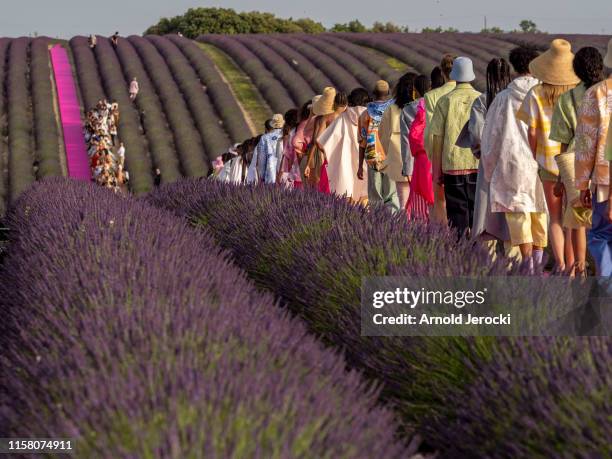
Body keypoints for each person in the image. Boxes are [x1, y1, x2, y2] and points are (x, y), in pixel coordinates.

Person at [481, 46, 547, 271]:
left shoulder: (503, 99)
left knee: (520, 215)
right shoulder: (545, 95)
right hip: (542, 161)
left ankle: (528, 264)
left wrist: (490, 169)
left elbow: (491, 136)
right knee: (540, 211)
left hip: (512, 163)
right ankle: (538, 262)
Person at [517, 39, 580, 273]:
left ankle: (561, 265)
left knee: (554, 218)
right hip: (573, 162)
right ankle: (574, 266)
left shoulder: (535, 93)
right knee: (572, 220)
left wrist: (535, 155)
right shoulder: (576, 93)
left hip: (547, 162)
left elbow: (531, 130)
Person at [550, 47, 605, 276]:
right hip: (603, 160)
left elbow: (562, 140)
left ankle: (580, 270)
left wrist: (561, 177)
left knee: (578, 221)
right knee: (602, 220)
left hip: (576, 160)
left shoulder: (567, 98)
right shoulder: (606, 94)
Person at [430, 57, 482, 236]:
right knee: (477, 214)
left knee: (457, 217)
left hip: (452, 166)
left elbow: (437, 139)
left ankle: (460, 254)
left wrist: (437, 172)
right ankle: (478, 256)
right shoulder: (481, 99)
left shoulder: (445, 101)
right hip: (477, 165)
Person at [575, 38, 612, 276]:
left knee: (600, 234)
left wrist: (581, 184)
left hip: (604, 179)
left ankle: (607, 287)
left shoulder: (596, 93)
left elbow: (585, 143)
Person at [467, 58, 513, 252]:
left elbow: (476, 133)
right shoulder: (514, 99)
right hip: (512, 163)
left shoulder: (482, 100)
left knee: (486, 215)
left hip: (489, 164)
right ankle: (514, 262)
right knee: (511, 216)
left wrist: (479, 152)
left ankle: (488, 262)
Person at [318, 87, 370, 203]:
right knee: (366, 203)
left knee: (346, 206)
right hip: (366, 166)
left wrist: (334, 156)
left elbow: (322, 144)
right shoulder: (370, 117)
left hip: (344, 167)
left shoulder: (342, 118)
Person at [425, 54, 456, 223]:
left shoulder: (432, 96)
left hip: (442, 155)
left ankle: (445, 240)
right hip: (468, 158)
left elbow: (431, 132)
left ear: (442, 73)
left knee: (440, 202)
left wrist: (432, 157)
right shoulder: (475, 95)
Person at [357, 80, 398, 211]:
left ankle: (378, 223)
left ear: (373, 94)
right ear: (388, 93)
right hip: (391, 157)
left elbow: (362, 142)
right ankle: (393, 223)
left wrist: (359, 166)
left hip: (372, 156)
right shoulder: (394, 111)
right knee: (391, 195)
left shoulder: (365, 114)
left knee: (375, 197)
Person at [379, 73, 417, 209]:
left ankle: (405, 226)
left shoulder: (391, 109)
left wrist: (386, 155)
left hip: (397, 157)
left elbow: (382, 135)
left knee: (403, 199)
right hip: (418, 157)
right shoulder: (421, 107)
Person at [306, 88, 346, 192]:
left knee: (324, 187)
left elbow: (317, 141)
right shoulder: (347, 117)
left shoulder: (325, 118)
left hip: (326, 157)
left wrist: (308, 163)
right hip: (344, 157)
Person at [405, 75, 434, 221]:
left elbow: (408, 139)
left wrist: (407, 168)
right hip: (436, 155)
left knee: (420, 198)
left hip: (420, 159)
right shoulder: (437, 102)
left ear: (415, 90)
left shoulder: (409, 109)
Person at [255, 114, 285, 184]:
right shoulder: (287, 136)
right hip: (285, 173)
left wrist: (261, 176)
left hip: (270, 173)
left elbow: (261, 159)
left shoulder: (265, 138)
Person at [276, 109, 299, 188]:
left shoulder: (289, 136)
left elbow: (286, 157)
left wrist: (280, 174)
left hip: (292, 171)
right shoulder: (302, 132)